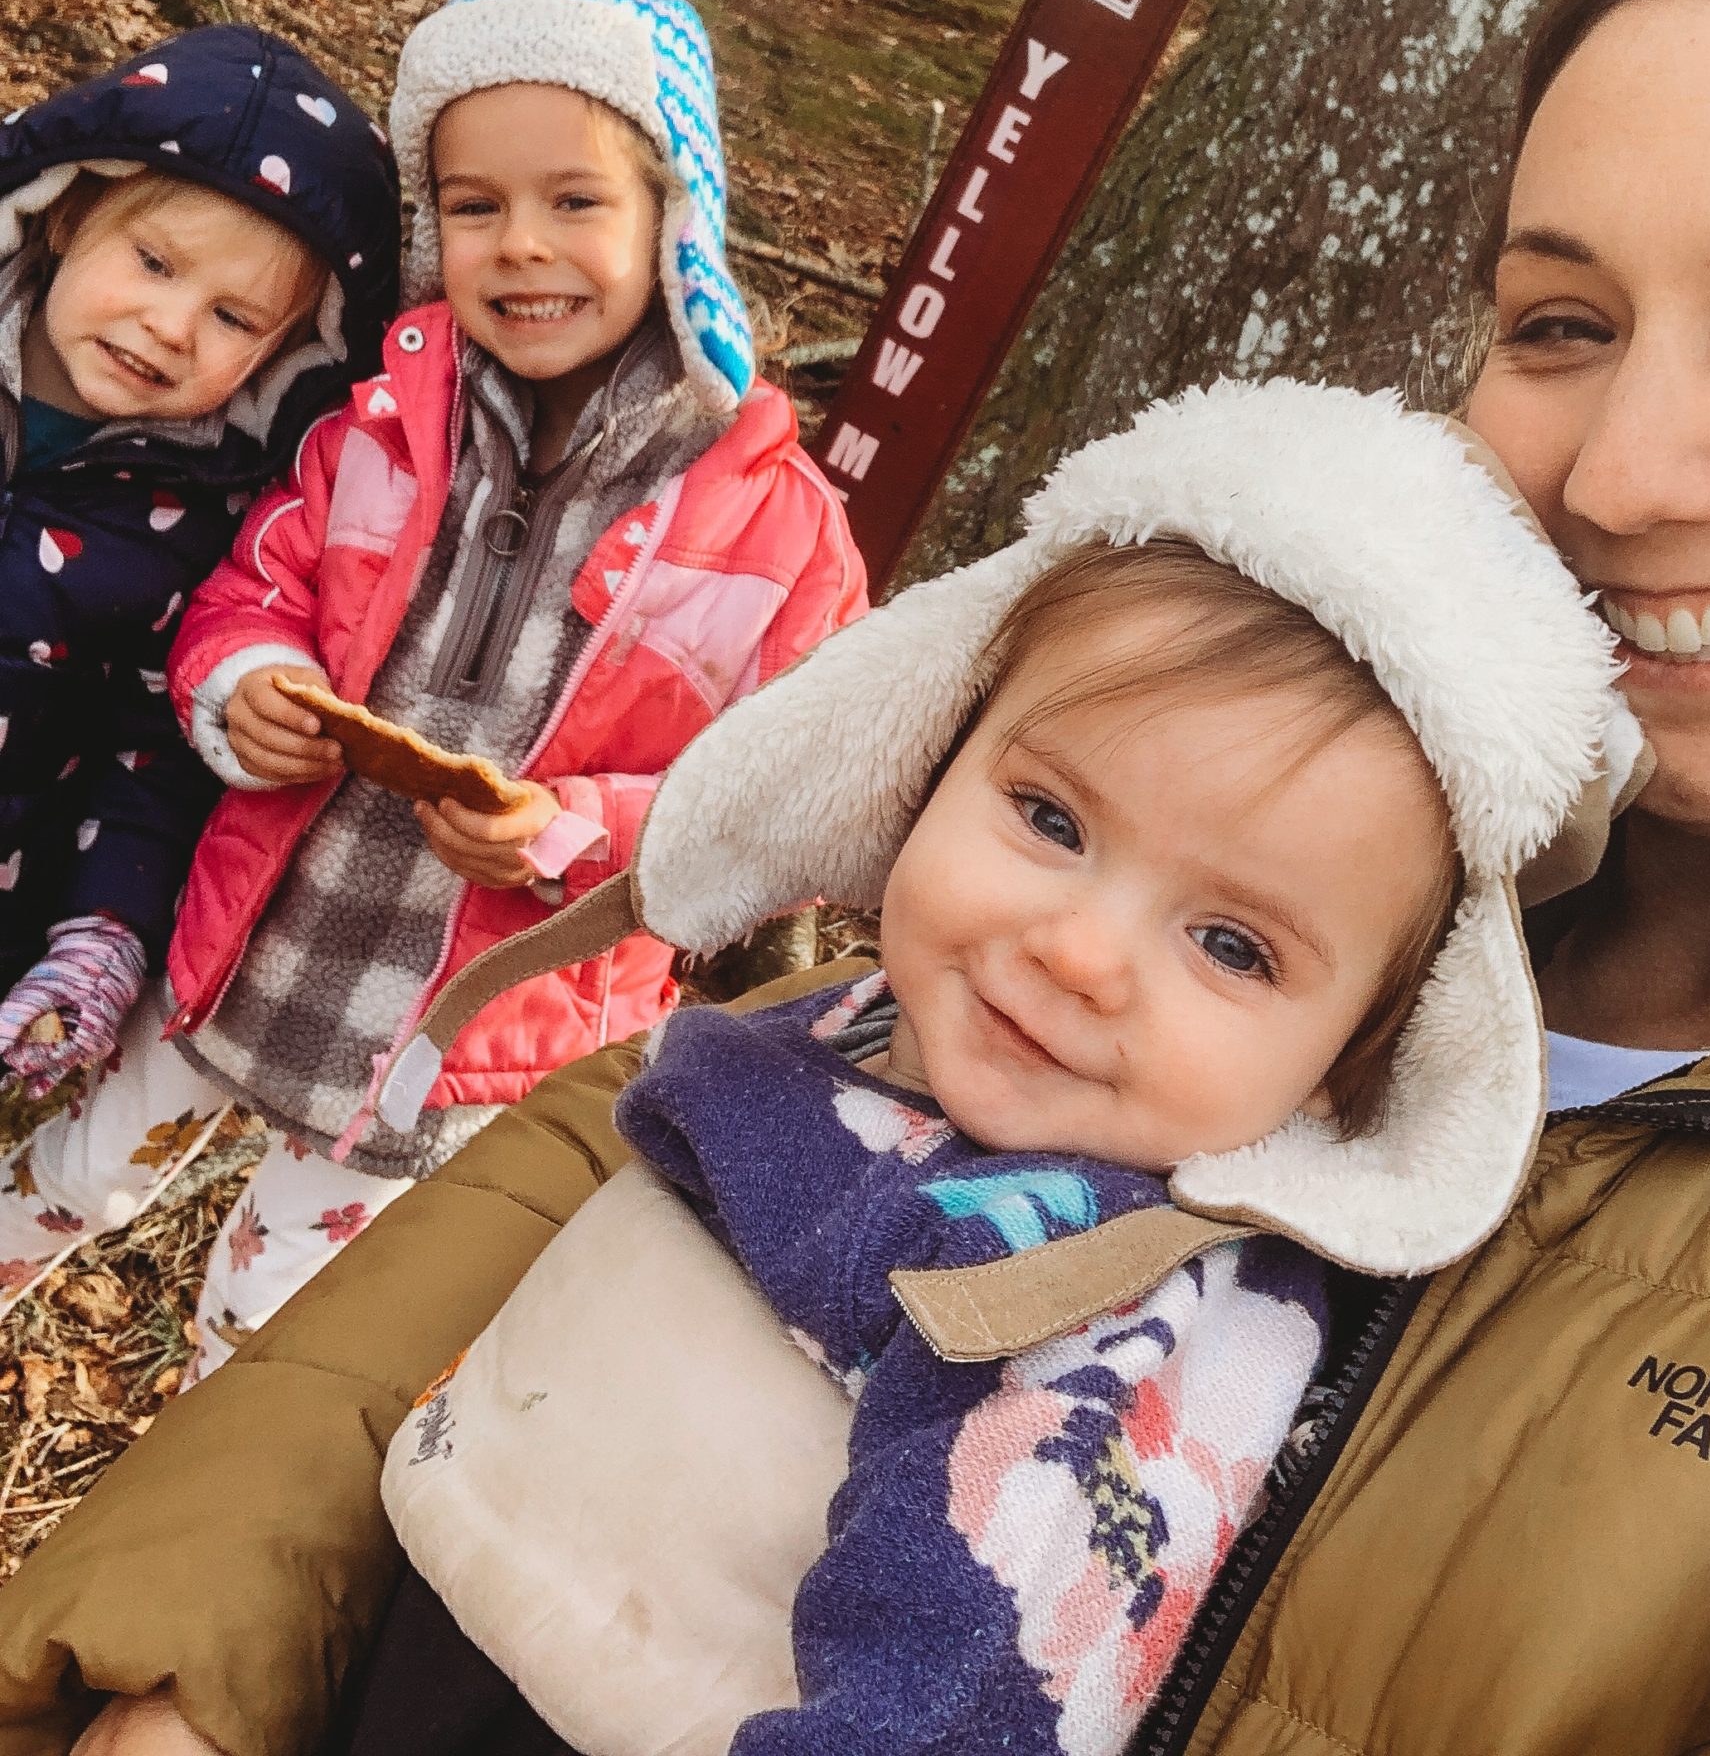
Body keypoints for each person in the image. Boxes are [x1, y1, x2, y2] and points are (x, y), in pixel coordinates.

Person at [12, 0, 1710, 1756]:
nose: (1630, 473)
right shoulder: (1314, 804)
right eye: (1561, 322)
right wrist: (194, 1653)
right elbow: (592, 1167)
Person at [348, 376, 1624, 1756]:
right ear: (920, 762)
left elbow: (955, 1711)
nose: (1081, 952)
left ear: (1354, 1068)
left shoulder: (1124, 1308)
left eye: (1235, 948)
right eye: (1049, 817)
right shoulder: (841, 1030)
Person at [0, 0, 864, 1369]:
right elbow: (245, 589)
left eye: (575, 200)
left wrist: (583, 830)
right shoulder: (374, 428)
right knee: (61, 1181)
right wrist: (246, 682)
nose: (520, 245)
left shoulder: (770, 524)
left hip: (462, 1041)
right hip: (250, 937)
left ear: (677, 210)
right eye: (475, 206)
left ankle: (170, 1545)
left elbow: (785, 796)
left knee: (271, 1328)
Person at [0, 29, 399, 1118]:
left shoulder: (207, 519)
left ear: (286, 353)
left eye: (233, 318)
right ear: (74, 210)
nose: (169, 326)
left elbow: (150, 748)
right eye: (155, 262)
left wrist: (101, 932)